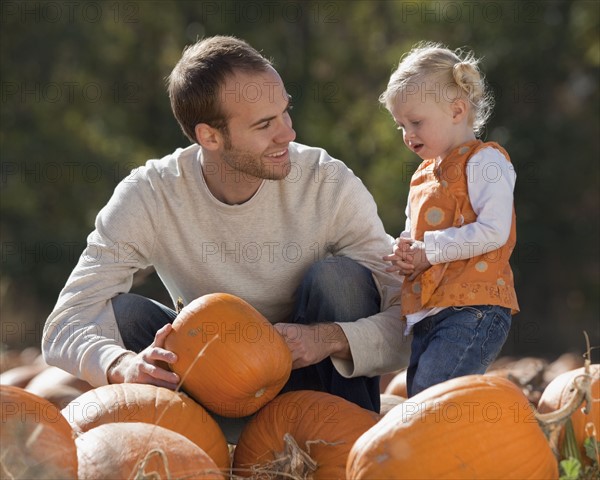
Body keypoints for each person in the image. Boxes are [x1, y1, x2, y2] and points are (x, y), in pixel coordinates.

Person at [42, 36, 406, 421]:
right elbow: (64, 323)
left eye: (285, 112)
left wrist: (327, 338)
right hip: (209, 393)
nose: (288, 134)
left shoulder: (327, 183)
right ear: (210, 137)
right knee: (124, 314)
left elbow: (408, 318)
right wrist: (122, 365)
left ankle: (343, 442)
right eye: (265, 124)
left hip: (314, 388)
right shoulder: (150, 194)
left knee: (341, 280)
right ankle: (200, 449)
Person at [381, 42, 519, 397]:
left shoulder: (485, 161)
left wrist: (429, 250)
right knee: (422, 398)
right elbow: (419, 234)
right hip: (431, 310)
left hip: (473, 308)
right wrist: (407, 248)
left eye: (416, 122)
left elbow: (494, 231)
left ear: (457, 110)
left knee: (433, 398)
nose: (407, 135)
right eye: (400, 125)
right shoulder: (424, 175)